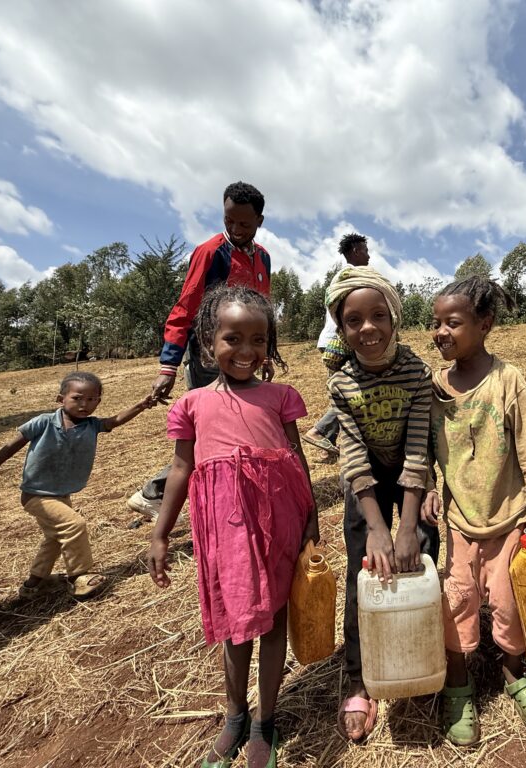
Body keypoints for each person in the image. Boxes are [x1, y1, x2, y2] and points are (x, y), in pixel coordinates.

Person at [147, 285, 318, 768]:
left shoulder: (281, 396)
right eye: (233, 338)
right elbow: (180, 470)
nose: (246, 351)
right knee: (235, 625)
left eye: (258, 339)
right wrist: (161, 533)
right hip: (224, 526)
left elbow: (296, 458)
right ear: (208, 342)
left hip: (281, 520)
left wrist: (311, 516)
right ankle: (234, 713)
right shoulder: (193, 404)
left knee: (274, 622)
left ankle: (266, 718)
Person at [421, 277, 526, 746]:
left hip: (510, 518)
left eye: (452, 323)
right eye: (436, 323)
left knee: (510, 603)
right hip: (460, 521)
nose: (440, 331)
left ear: (485, 324)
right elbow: (421, 448)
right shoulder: (433, 388)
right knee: (456, 604)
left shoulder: (508, 379)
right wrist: (426, 489)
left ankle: (513, 673)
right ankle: (458, 684)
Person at [323, 266, 439, 742]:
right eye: (353, 320)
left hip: (409, 476)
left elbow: (418, 448)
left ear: (394, 317)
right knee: (363, 571)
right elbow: (352, 456)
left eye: (377, 316)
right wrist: (376, 526)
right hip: (366, 479)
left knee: (420, 560)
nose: (367, 328)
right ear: (341, 327)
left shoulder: (416, 372)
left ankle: (421, 655)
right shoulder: (342, 384)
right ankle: (359, 678)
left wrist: (407, 525)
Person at [127, 181, 274, 519]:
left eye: (244, 224)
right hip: (210, 355)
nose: (235, 229)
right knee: (215, 427)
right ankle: (158, 492)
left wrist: (264, 354)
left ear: (259, 222)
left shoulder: (263, 258)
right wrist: (168, 366)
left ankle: (233, 496)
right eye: (229, 221)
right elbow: (185, 308)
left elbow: (262, 311)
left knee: (243, 422)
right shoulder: (210, 253)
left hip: (246, 355)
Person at [0, 372, 157, 599]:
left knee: (56, 538)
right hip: (35, 494)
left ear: (98, 401)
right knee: (74, 525)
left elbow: (114, 421)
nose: (84, 405)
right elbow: (10, 447)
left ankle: (34, 583)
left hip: (61, 495)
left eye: (91, 399)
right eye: (77, 398)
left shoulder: (91, 426)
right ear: (61, 399)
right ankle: (79, 576)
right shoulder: (43, 422)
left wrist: (141, 405)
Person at [302, 232, 371, 460]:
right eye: (365, 250)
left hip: (335, 340)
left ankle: (331, 436)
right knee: (354, 391)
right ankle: (319, 431)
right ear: (355, 251)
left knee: (350, 389)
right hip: (340, 343)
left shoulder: (342, 276)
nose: (369, 255)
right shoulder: (351, 275)